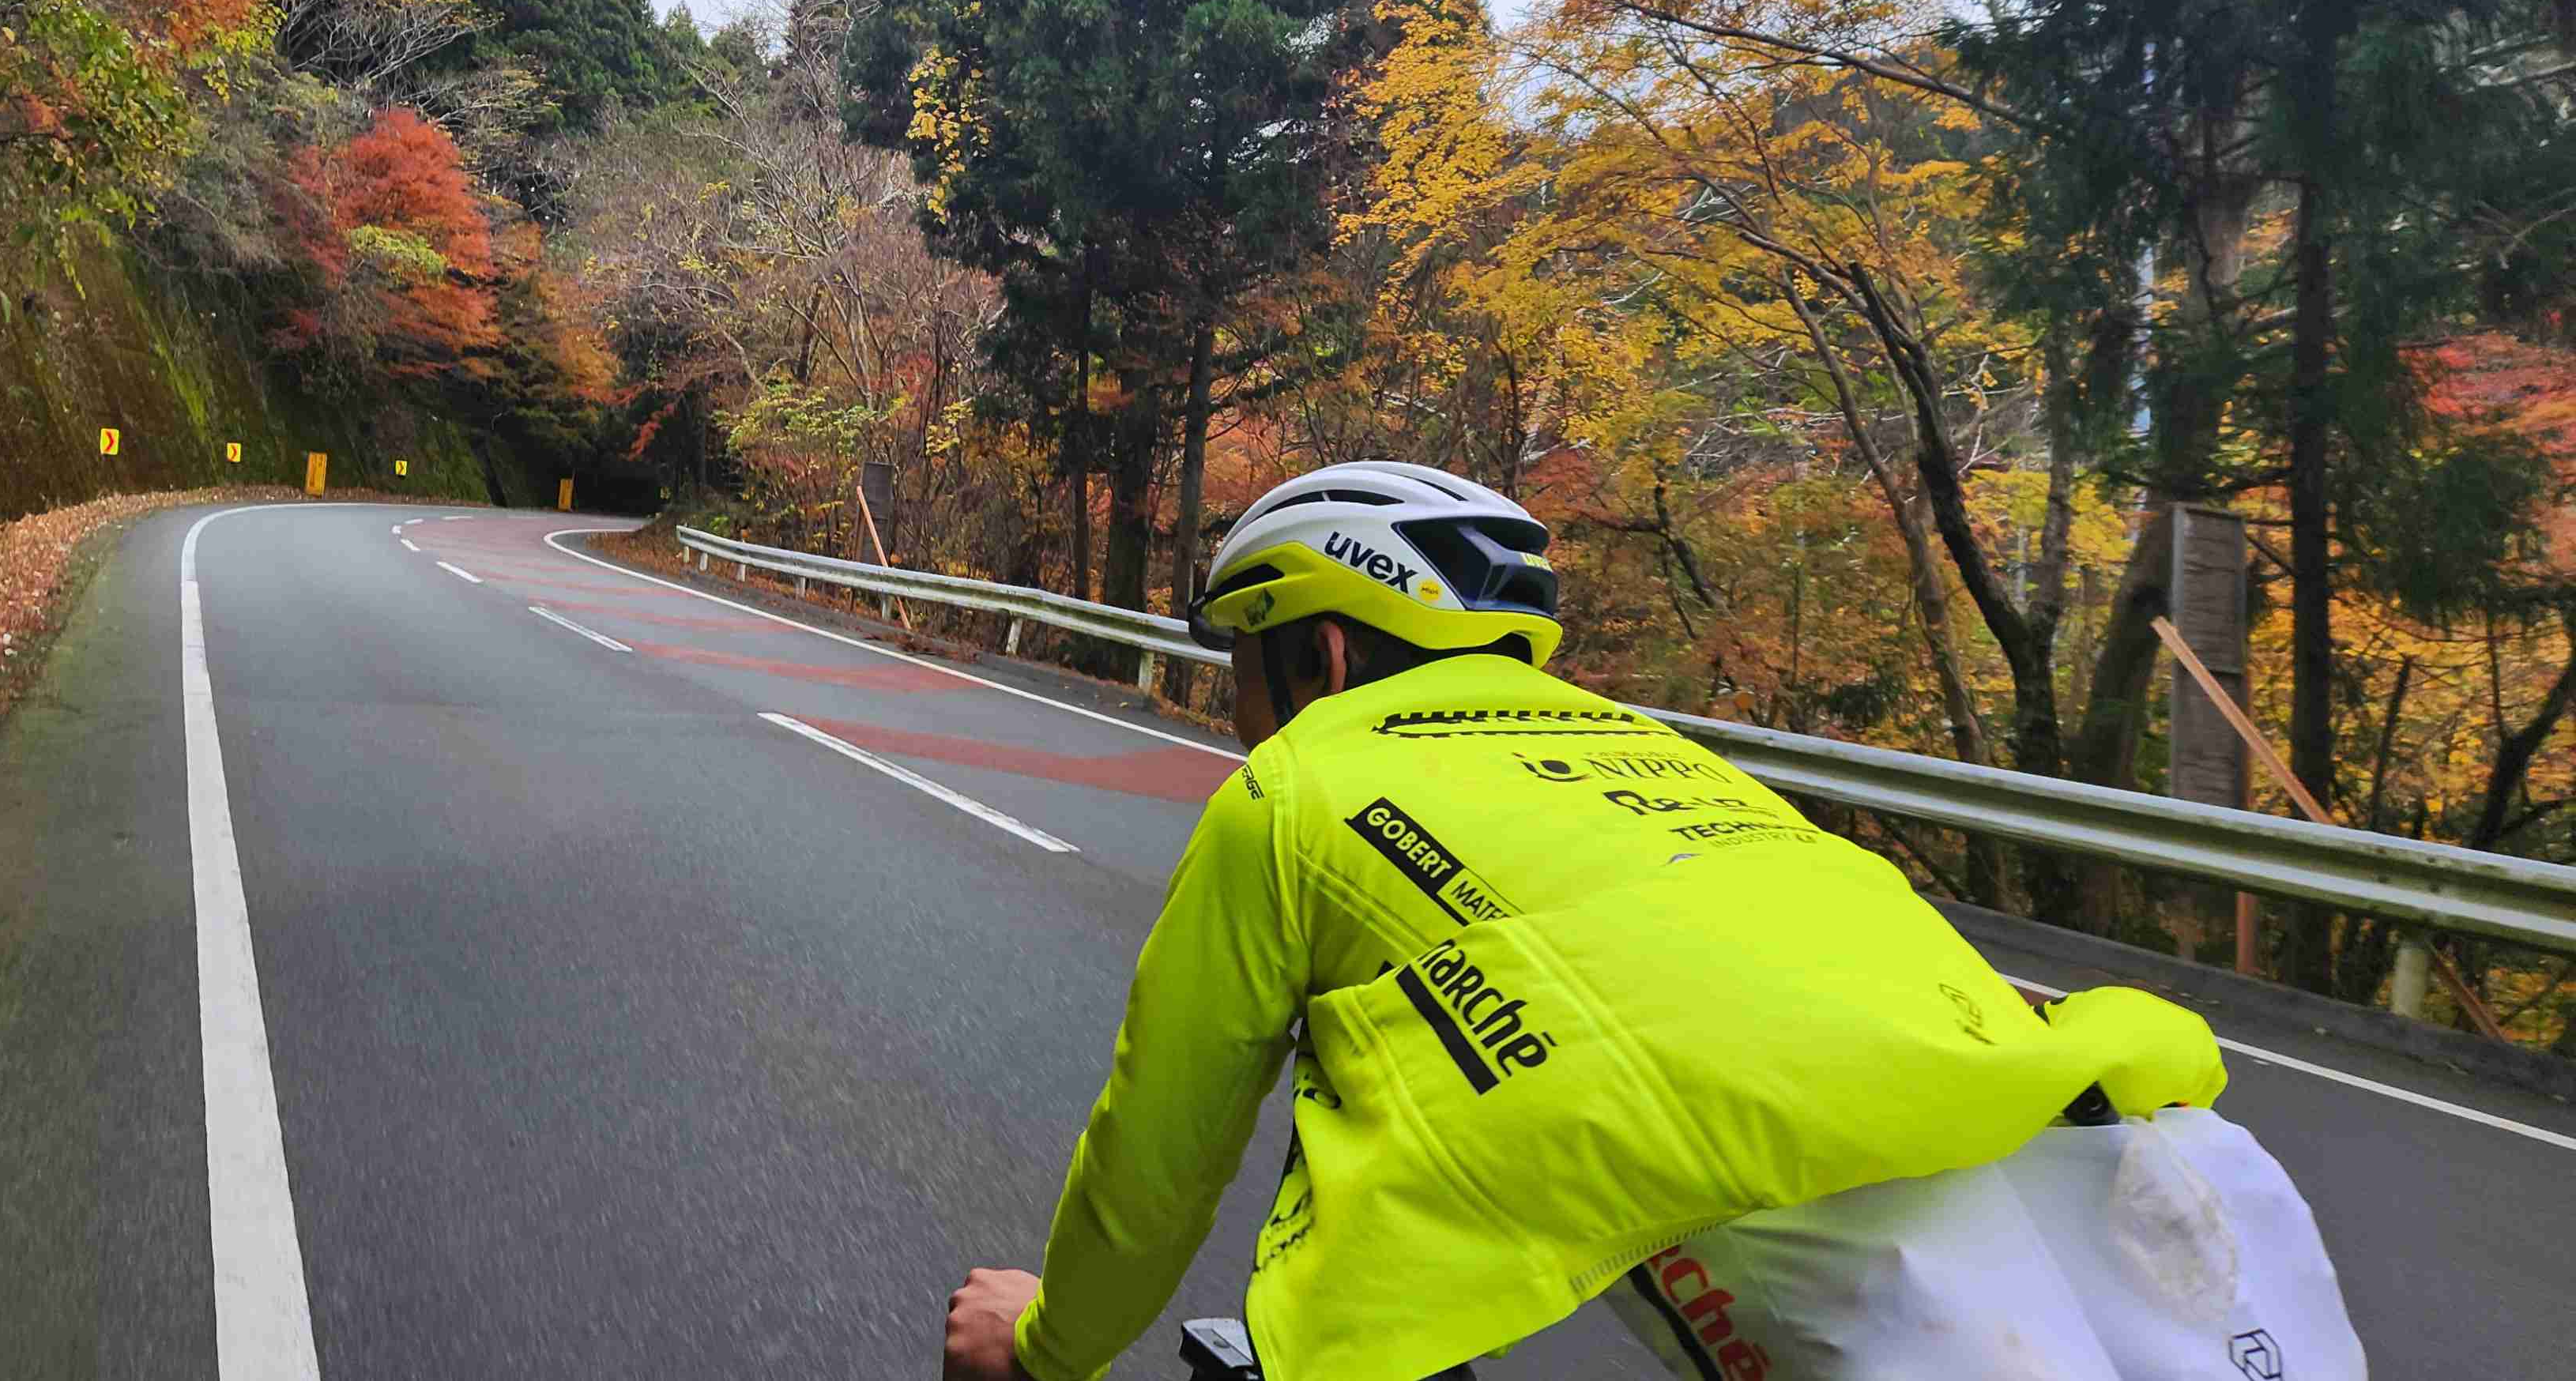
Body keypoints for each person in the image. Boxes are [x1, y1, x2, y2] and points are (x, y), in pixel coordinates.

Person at [943, 461, 2358, 1381]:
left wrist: (1049, 1345)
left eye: (1239, 667)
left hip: (1908, 1306)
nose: (1236, 710)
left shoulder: (1302, 783)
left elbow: (1163, 1146)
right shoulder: (1659, 753)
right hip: (2132, 1171)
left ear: (1317, 652)